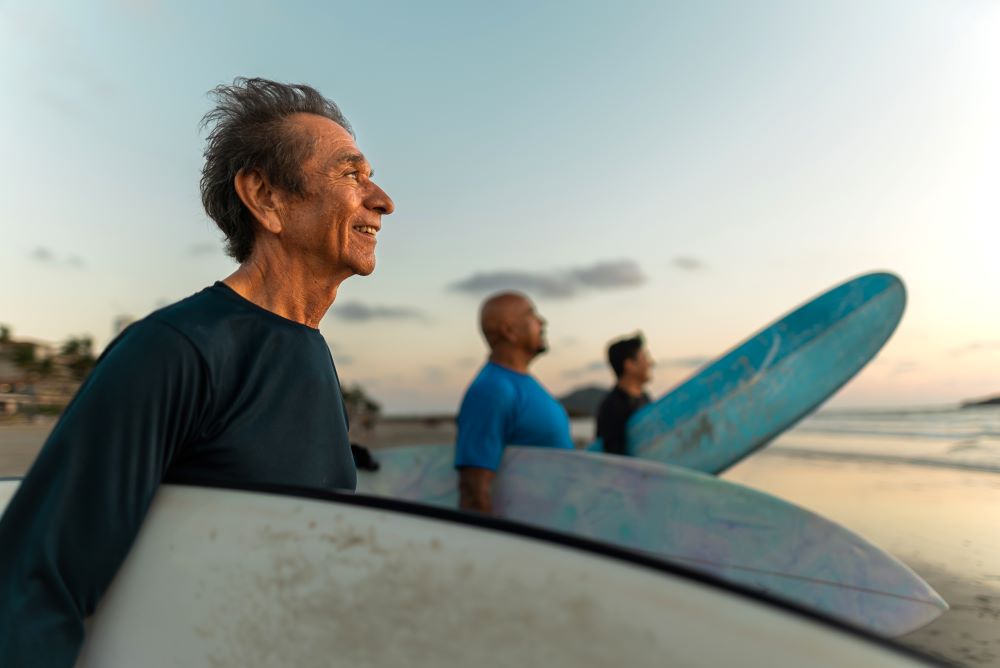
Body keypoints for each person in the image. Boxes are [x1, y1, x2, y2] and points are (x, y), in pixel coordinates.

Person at [0, 77, 394, 666]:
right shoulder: (178, 349)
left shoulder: (309, 351)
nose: (382, 199)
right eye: (350, 174)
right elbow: (33, 590)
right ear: (266, 197)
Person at [455, 292, 575, 513]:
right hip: (530, 540)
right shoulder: (491, 390)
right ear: (509, 331)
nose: (542, 322)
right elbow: (473, 492)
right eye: (532, 314)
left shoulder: (523, 383)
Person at [595, 334, 654, 456]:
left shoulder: (645, 398)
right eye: (645, 358)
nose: (651, 363)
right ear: (630, 365)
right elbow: (614, 461)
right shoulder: (612, 408)